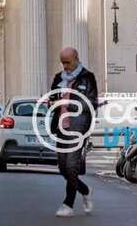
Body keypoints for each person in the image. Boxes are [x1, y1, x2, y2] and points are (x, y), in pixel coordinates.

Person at [49, 47, 98, 218]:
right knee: (63, 167)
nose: (65, 66)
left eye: (67, 62)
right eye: (62, 62)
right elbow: (52, 98)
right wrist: (52, 102)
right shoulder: (58, 78)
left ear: (76, 58)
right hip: (61, 127)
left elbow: (91, 103)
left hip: (78, 128)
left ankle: (68, 204)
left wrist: (71, 104)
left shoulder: (88, 78)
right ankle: (85, 190)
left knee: (71, 166)